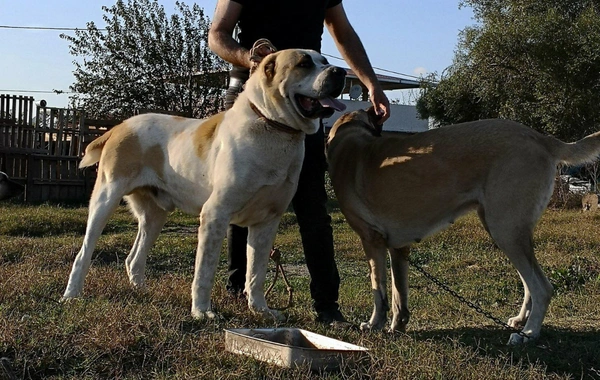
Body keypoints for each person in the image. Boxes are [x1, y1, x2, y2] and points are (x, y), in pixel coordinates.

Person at [208, 0, 390, 325]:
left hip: (306, 94)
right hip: (252, 95)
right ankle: (239, 296)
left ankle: (328, 306)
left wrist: (372, 84)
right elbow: (217, 34)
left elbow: (343, 33)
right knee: (238, 201)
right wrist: (248, 57)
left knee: (312, 205)